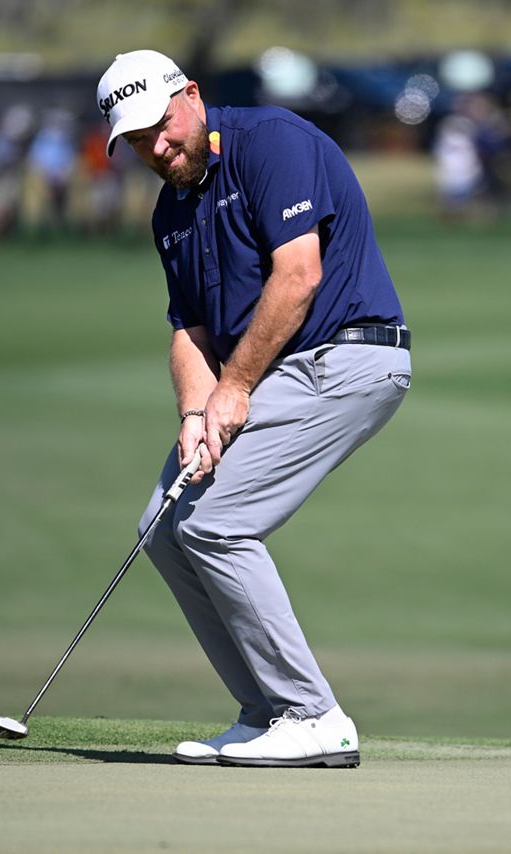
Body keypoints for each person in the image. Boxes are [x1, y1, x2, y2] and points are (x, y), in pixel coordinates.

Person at [96, 49, 411, 768]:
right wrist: (193, 414)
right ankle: (265, 711)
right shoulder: (171, 211)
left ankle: (313, 714)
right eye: (138, 140)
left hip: (349, 355)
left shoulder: (272, 142)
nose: (157, 145)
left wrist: (232, 389)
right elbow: (190, 332)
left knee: (218, 523)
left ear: (192, 96)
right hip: (277, 373)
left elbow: (298, 277)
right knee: (162, 528)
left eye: (161, 125)